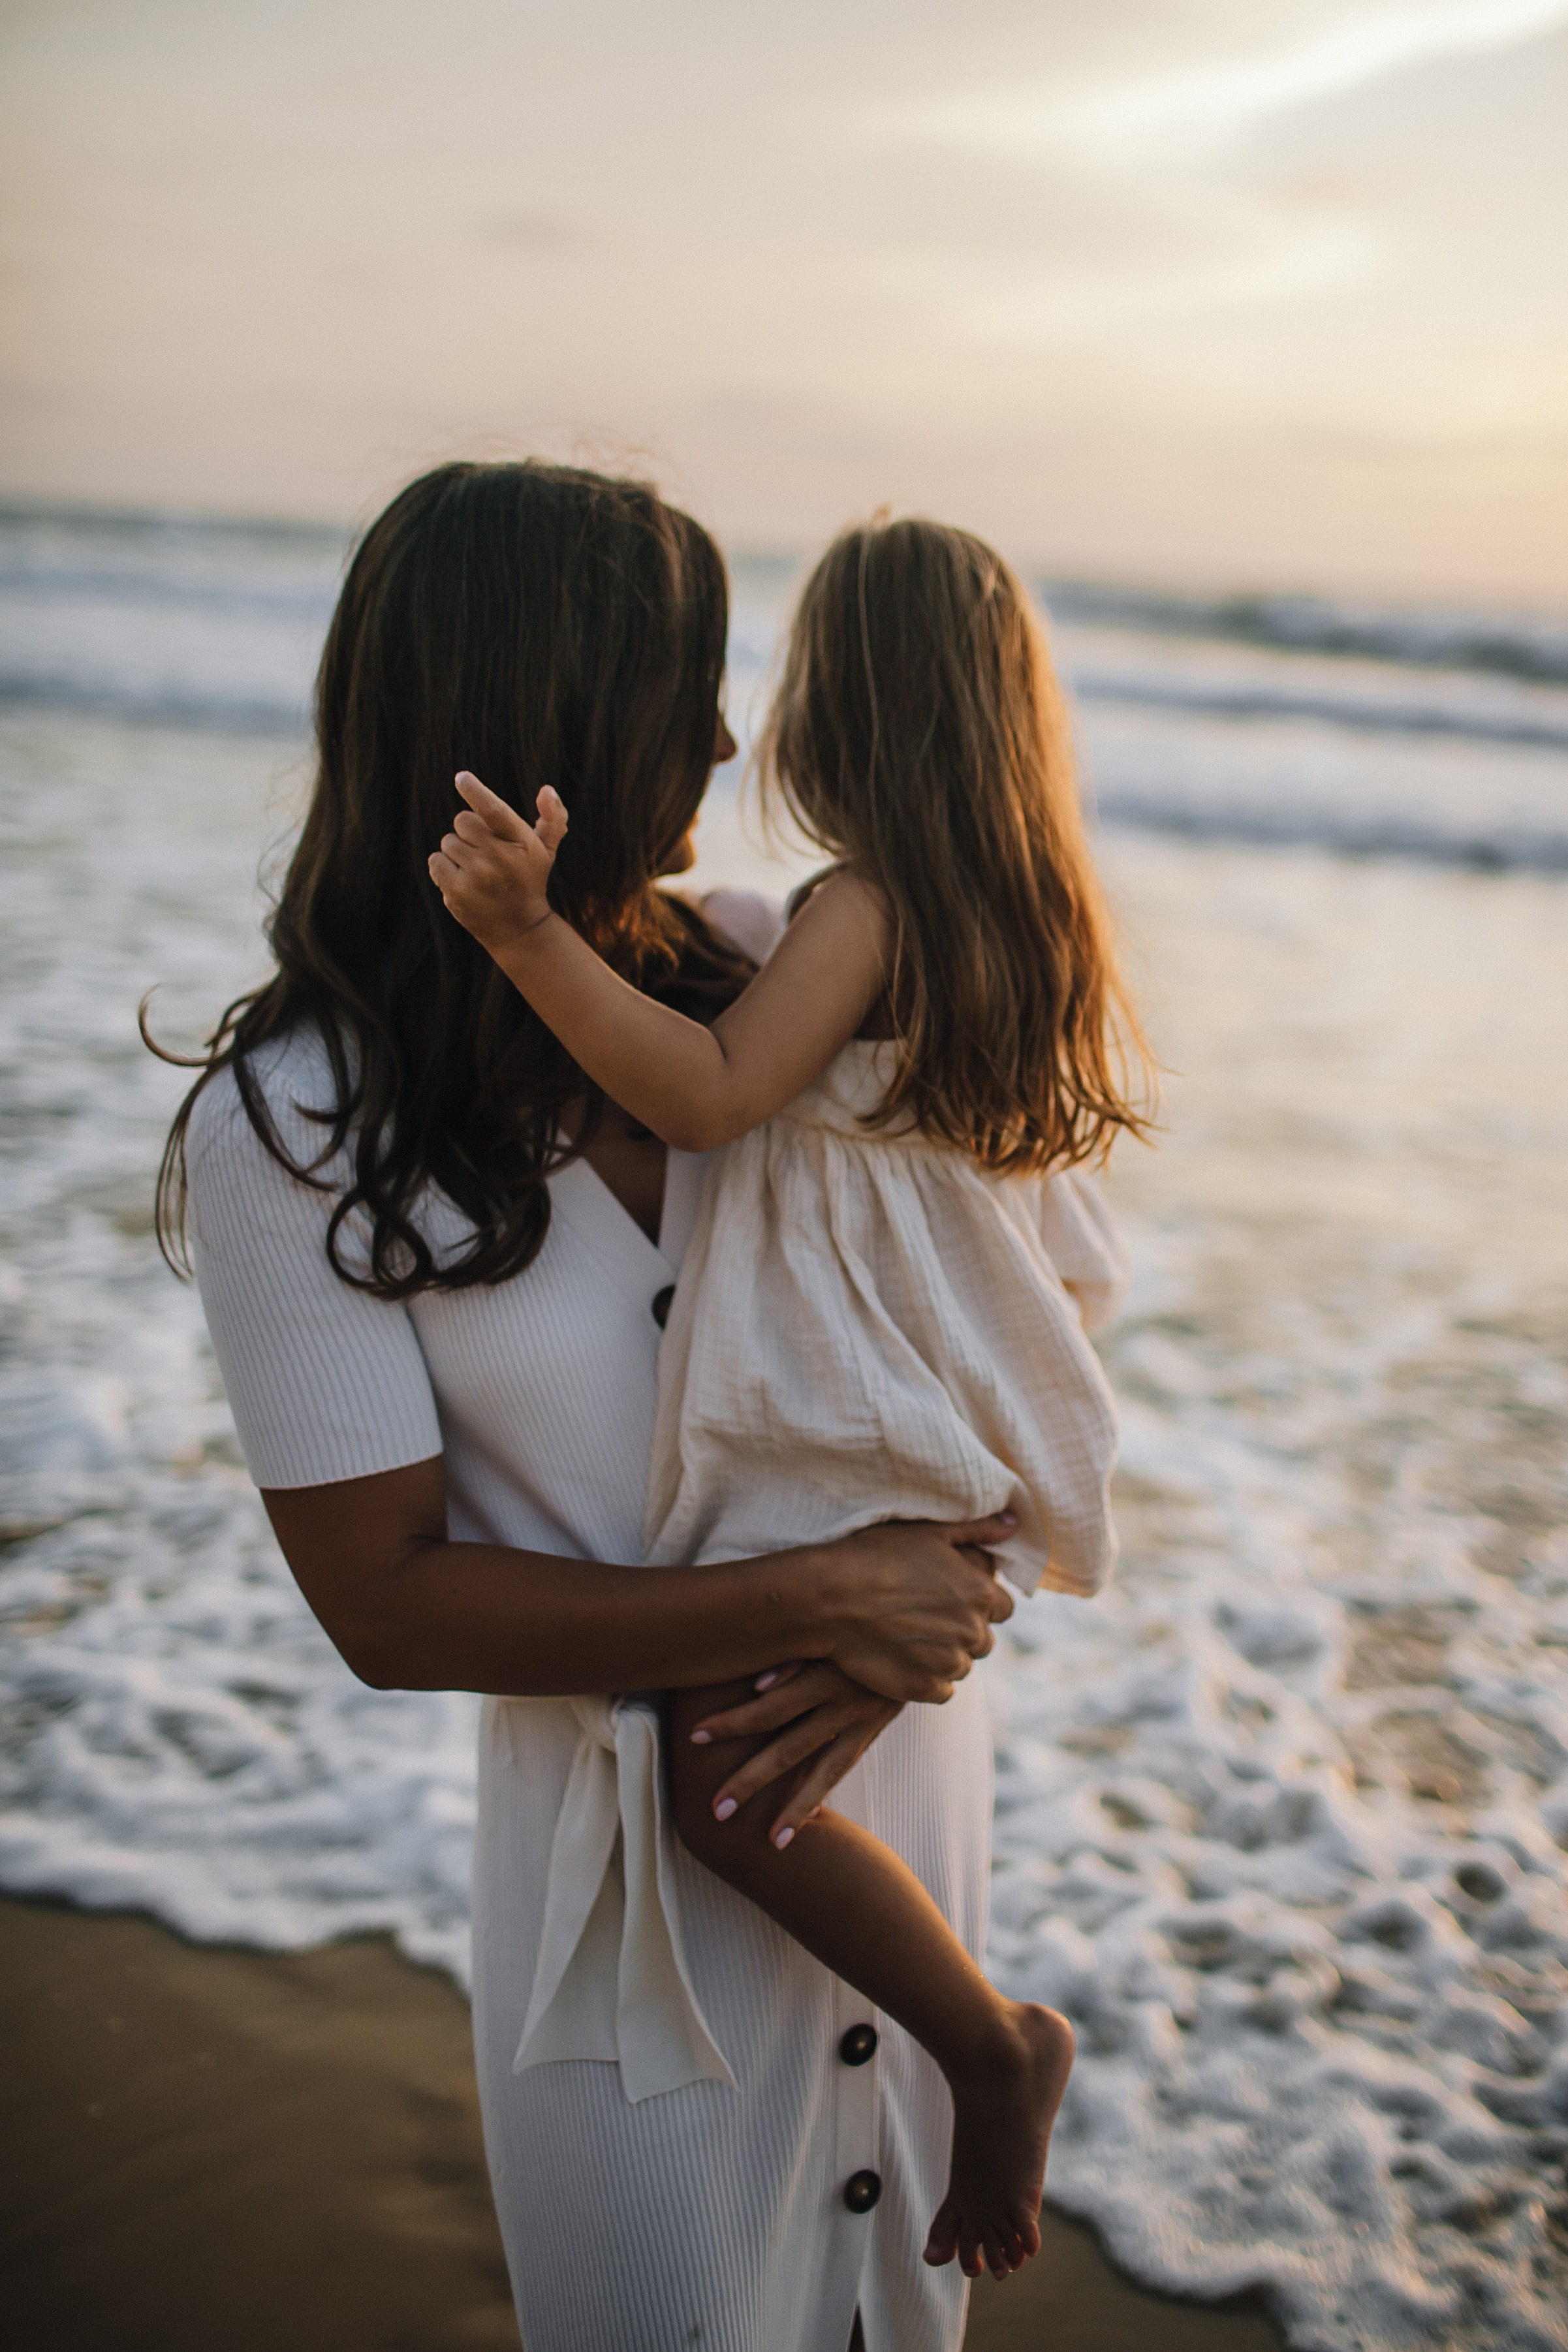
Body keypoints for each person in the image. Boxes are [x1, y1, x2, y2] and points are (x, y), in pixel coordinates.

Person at [153, 460, 1022, 2352]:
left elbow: (1014, 1317)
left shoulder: (760, 971)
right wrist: (827, 1597)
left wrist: (945, 1593)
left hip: (896, 1806)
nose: (721, 739)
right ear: (553, 720)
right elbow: (387, 1607)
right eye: (681, 690)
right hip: (633, 1930)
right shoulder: (293, 1122)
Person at [426, 512, 1152, 2285]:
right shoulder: (1023, 928)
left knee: (716, 1789)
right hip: (944, 1405)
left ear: (852, 708)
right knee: (774, 1749)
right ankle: (973, 2039)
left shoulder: (859, 906)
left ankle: (990, 2044)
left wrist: (525, 935)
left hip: (848, 1404)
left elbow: (706, 1091)